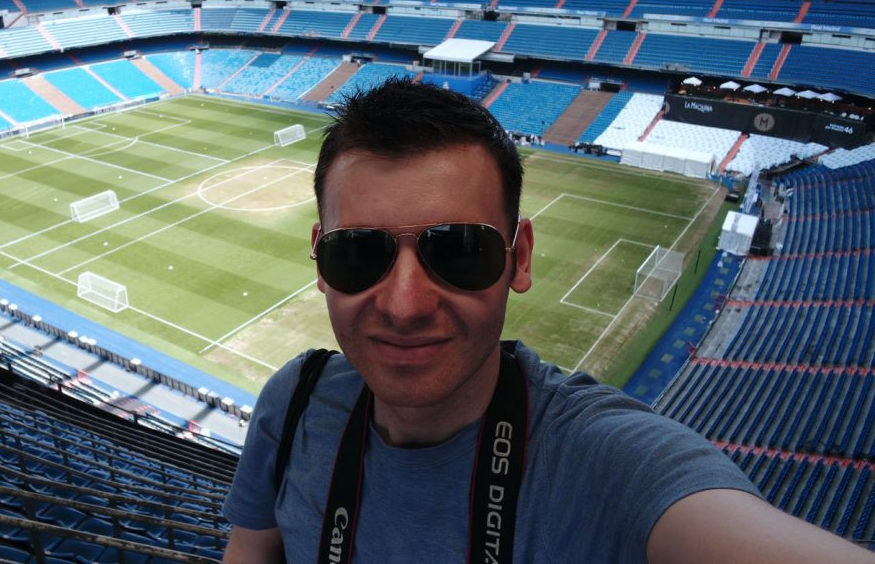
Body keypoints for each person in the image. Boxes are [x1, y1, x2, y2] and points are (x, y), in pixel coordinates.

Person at [221, 77, 874, 563]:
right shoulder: (293, 404)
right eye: (359, 253)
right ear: (318, 259)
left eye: (460, 251)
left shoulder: (611, 466)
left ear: (520, 257)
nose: (405, 303)